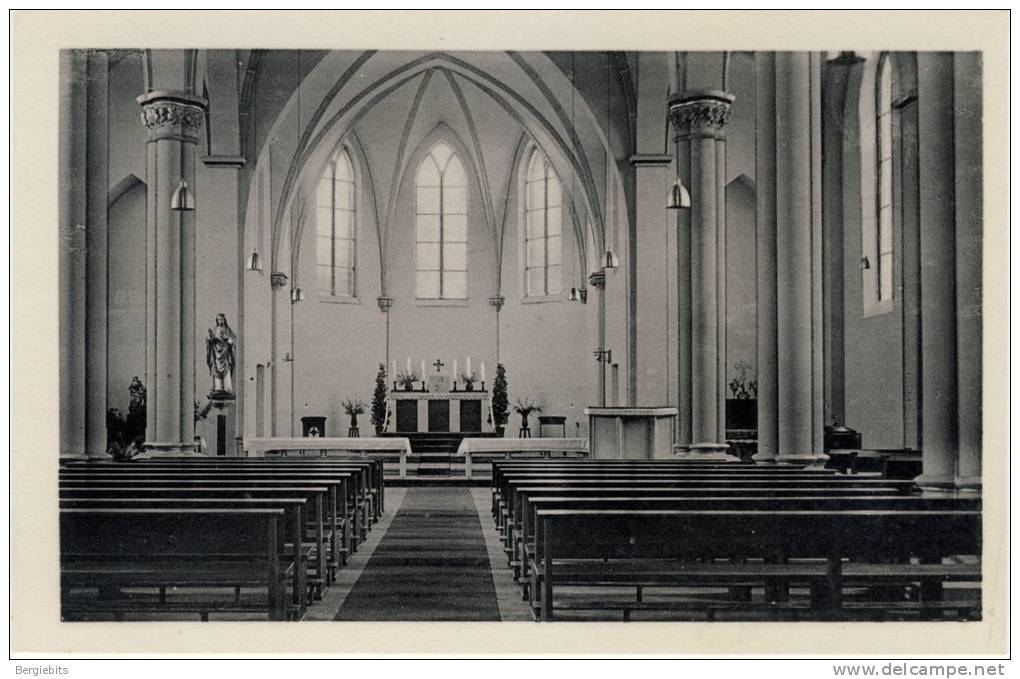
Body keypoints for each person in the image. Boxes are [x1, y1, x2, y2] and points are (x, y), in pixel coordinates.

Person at [206, 313, 236, 393]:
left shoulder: (227, 329)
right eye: (219, 320)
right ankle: (218, 387)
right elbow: (211, 339)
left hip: (225, 353)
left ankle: (227, 388)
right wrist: (210, 338)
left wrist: (230, 341)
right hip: (217, 353)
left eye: (221, 320)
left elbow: (232, 338)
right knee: (216, 369)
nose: (220, 321)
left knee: (227, 368)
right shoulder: (215, 329)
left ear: (224, 320)